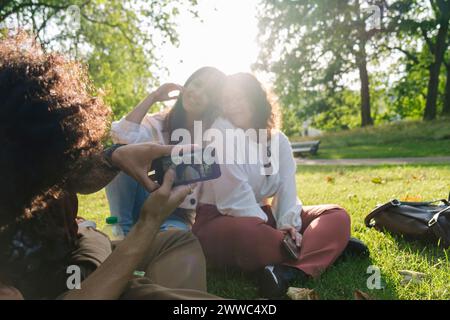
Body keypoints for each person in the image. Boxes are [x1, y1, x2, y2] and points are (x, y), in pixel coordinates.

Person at [0, 33, 219, 300]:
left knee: (178, 240)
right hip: (72, 285)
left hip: (81, 249)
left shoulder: (33, 157)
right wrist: (148, 222)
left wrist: (113, 157)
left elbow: (77, 176)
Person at [193, 73, 364, 298]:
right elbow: (233, 200)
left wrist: (287, 223)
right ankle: (325, 249)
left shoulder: (278, 140)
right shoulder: (221, 134)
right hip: (223, 220)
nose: (232, 105)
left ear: (256, 99)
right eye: (227, 99)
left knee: (336, 215)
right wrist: (278, 232)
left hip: (265, 217)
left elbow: (287, 190)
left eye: (239, 98)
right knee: (256, 237)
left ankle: (288, 272)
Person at [107, 67, 226, 234]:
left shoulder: (213, 136)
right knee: (120, 153)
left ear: (214, 103)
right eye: (197, 84)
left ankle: (149, 238)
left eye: (207, 94)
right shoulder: (159, 122)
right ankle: (122, 232)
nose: (197, 93)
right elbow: (120, 137)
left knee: (171, 238)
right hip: (144, 198)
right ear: (186, 84)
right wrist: (154, 96)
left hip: (175, 214)